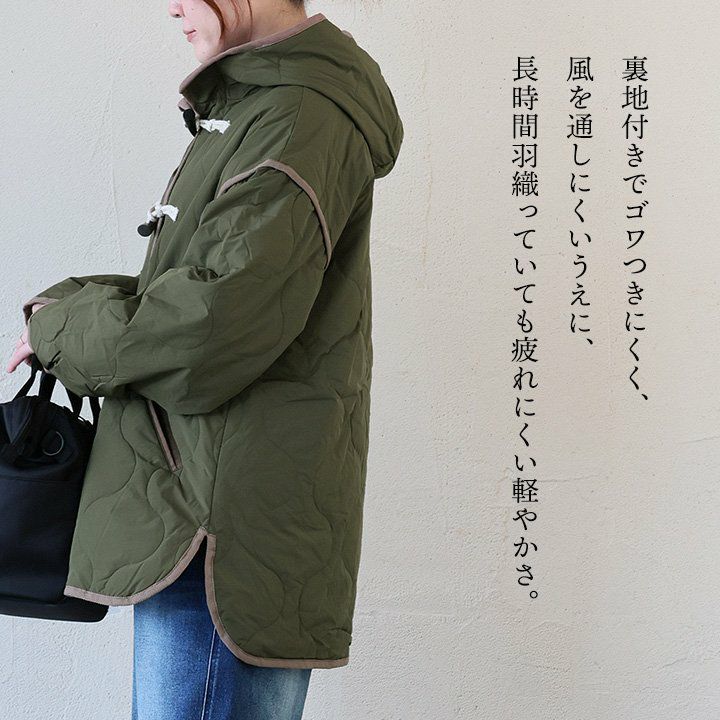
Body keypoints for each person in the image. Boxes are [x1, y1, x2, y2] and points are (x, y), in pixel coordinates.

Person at [7, 0, 404, 718]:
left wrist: (66, 326)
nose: (172, 6)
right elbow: (198, 291)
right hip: (203, 501)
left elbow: (207, 331)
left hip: (217, 533)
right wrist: (64, 309)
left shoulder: (297, 117)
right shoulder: (264, 107)